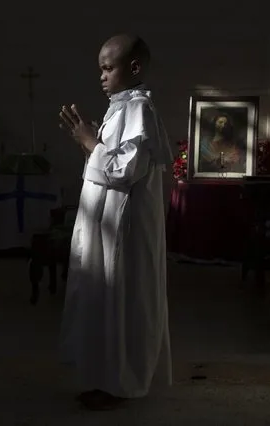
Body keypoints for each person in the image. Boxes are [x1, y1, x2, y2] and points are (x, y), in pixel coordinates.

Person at [57, 34, 173, 411]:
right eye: (100, 69)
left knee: (121, 300)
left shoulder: (138, 108)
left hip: (123, 227)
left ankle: (120, 382)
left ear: (134, 67)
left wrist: (91, 142)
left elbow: (124, 169)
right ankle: (106, 377)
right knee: (106, 298)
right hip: (108, 223)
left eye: (109, 68)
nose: (102, 77)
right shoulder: (121, 108)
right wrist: (91, 140)